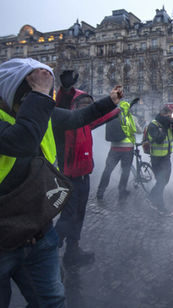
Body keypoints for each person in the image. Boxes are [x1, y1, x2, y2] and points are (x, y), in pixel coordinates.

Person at [0, 58, 122, 307]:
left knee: (53, 301)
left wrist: (110, 102)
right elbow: (21, 140)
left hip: (40, 236)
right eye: (30, 93)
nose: (37, 99)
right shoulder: (27, 112)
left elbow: (79, 117)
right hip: (3, 242)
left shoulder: (39, 111)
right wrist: (41, 93)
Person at [53, 70, 120, 266]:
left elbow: (99, 116)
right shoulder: (65, 121)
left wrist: (118, 109)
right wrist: (66, 88)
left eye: (87, 105)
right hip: (68, 176)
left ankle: (72, 252)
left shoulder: (85, 124)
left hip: (84, 176)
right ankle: (47, 255)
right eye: (83, 105)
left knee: (78, 216)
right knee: (67, 218)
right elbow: (62, 103)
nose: (86, 108)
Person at [96, 98, 142, 201]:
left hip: (114, 149)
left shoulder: (112, 118)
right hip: (127, 150)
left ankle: (100, 191)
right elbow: (139, 131)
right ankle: (122, 191)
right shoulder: (131, 118)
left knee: (108, 170)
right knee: (125, 171)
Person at [146, 106, 173, 214]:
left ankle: (151, 197)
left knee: (164, 181)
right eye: (167, 116)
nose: (169, 118)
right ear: (162, 114)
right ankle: (160, 205)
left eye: (170, 116)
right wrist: (165, 127)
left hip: (166, 157)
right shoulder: (153, 125)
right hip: (157, 158)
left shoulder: (167, 124)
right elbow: (159, 140)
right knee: (161, 181)